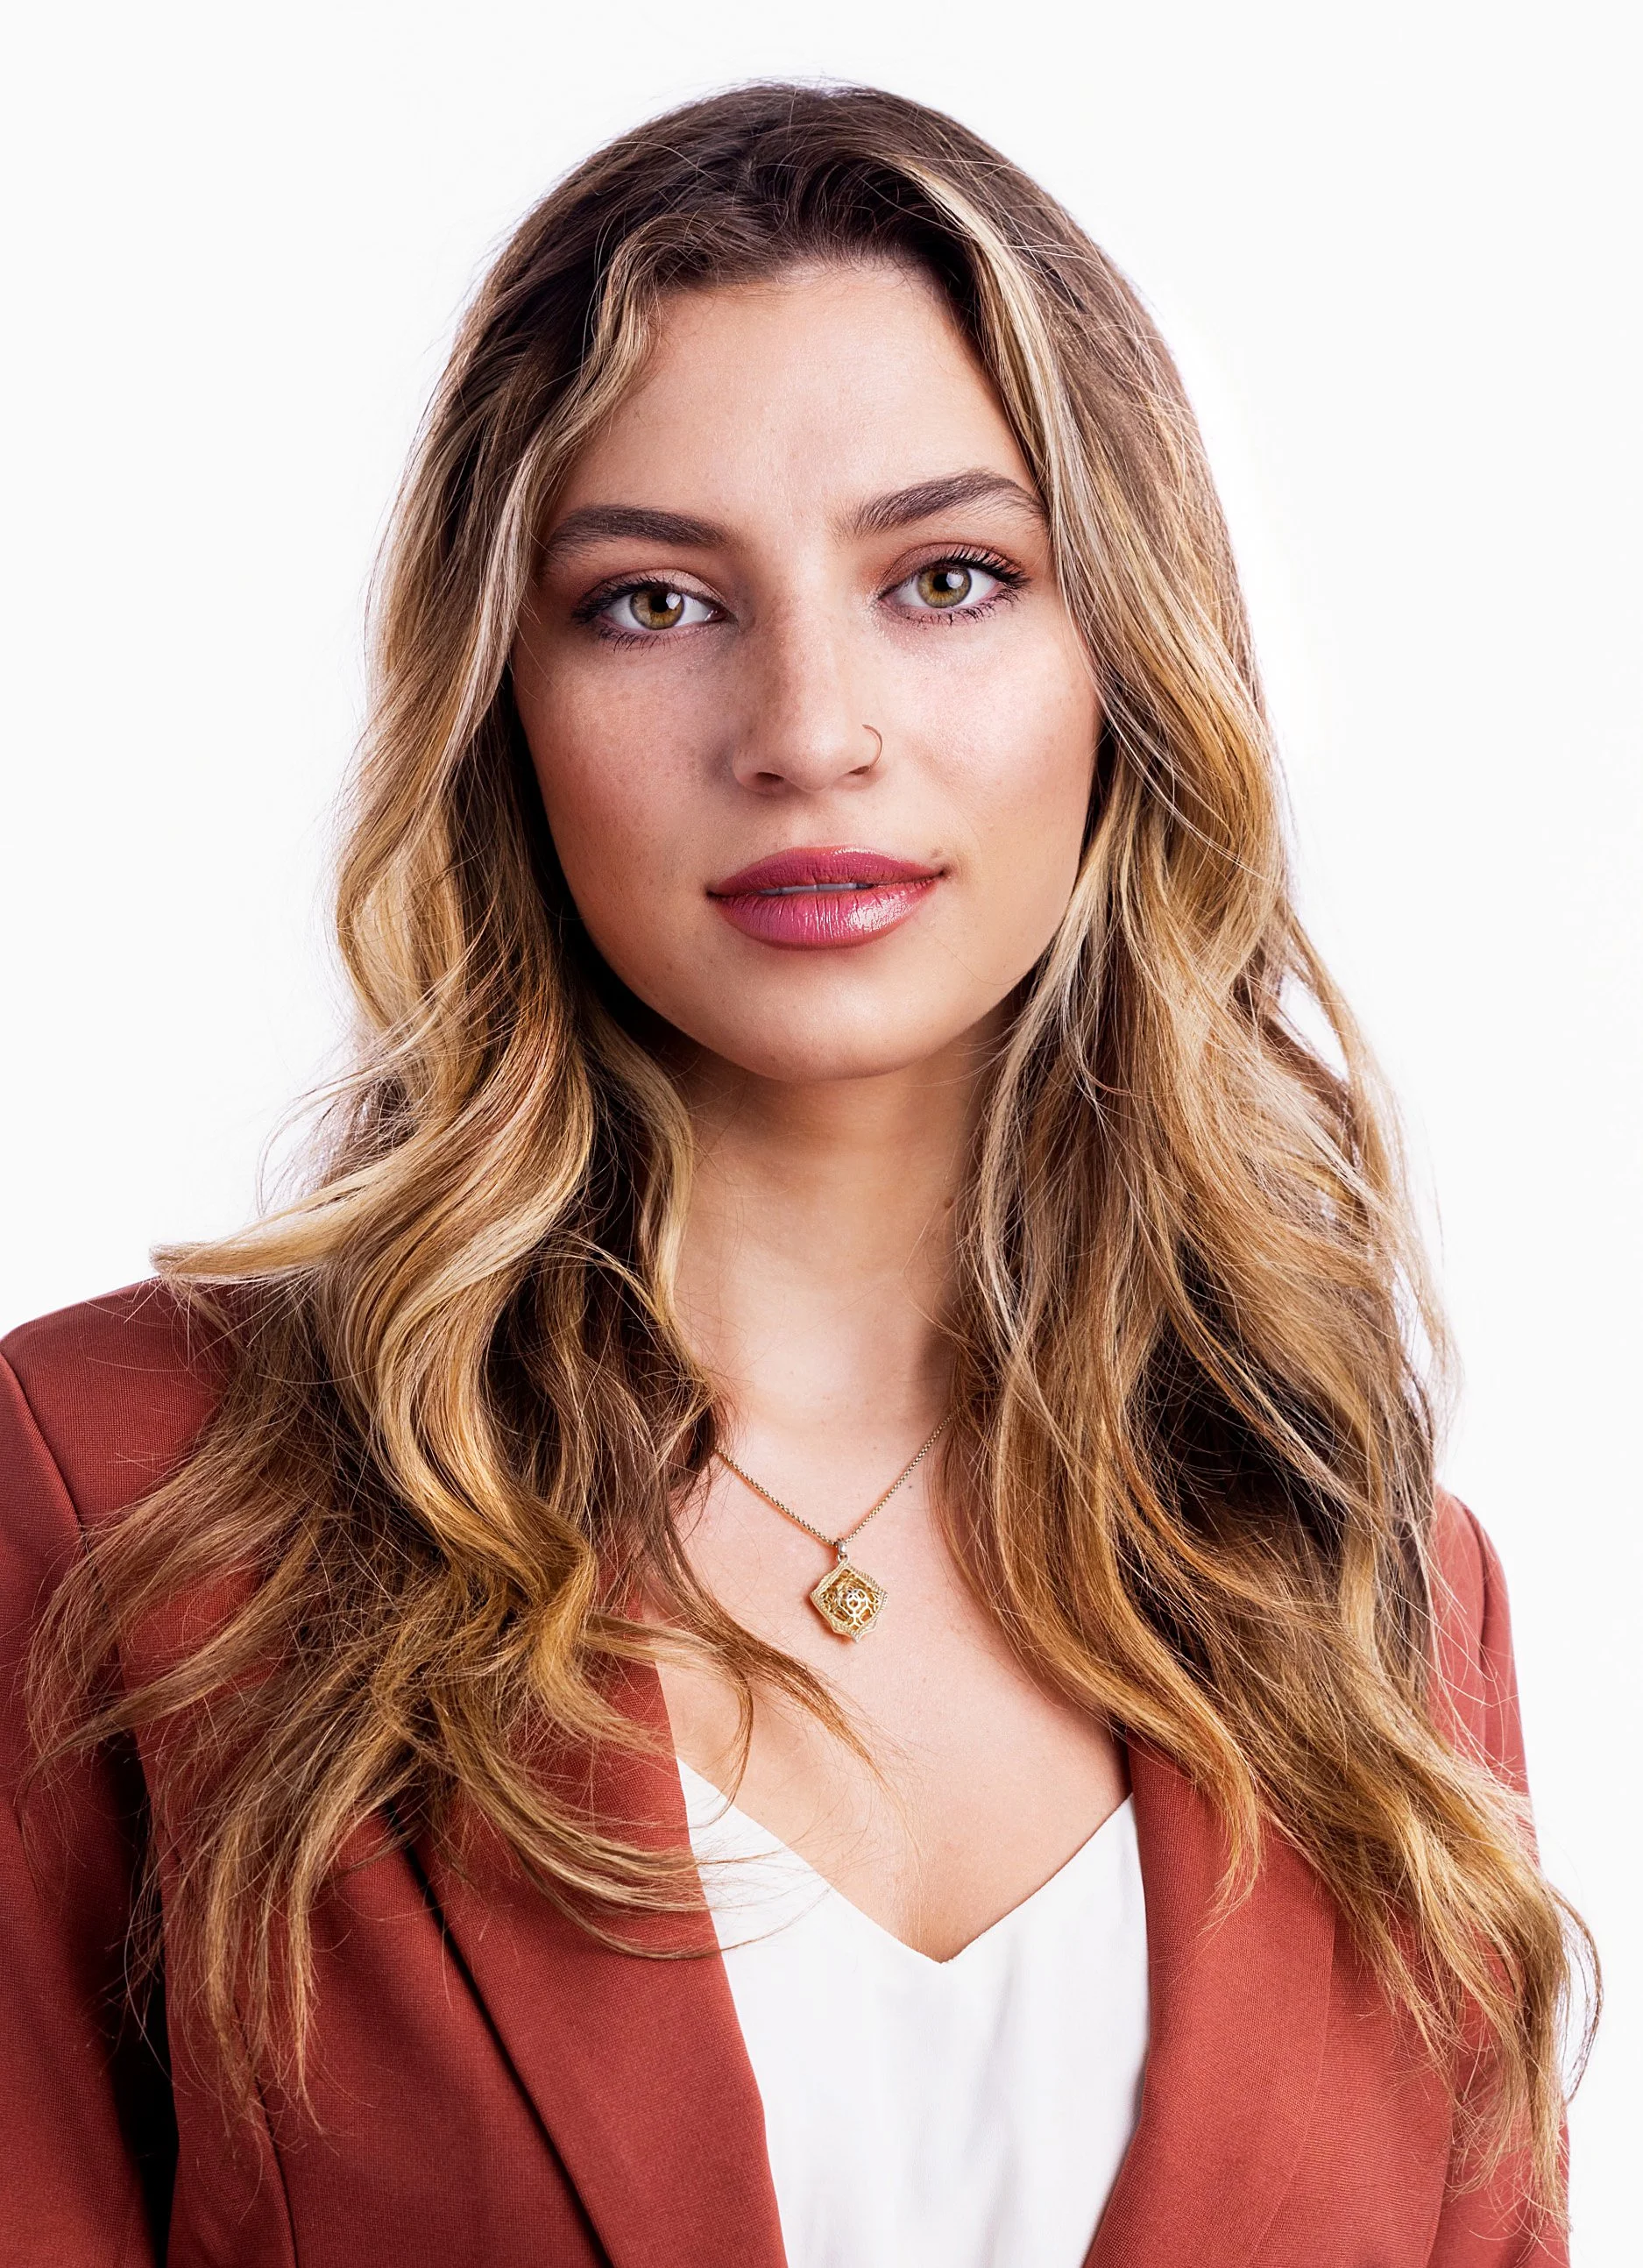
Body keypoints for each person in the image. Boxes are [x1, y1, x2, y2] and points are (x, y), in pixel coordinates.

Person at [1, 82, 1590, 2268]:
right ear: (502, 701)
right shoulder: (126, 1495)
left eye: (948, 578)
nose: (810, 727)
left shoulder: (1370, 1593)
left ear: (1126, 665)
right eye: (655, 601)